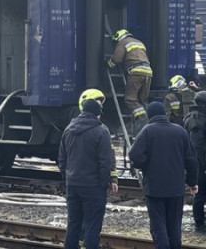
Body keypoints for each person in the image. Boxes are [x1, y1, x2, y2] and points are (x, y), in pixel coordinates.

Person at [129, 101, 199, 248]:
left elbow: (135, 156)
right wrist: (192, 183)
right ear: (164, 114)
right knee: (174, 225)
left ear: (150, 115)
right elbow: (192, 160)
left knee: (158, 225)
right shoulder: (180, 131)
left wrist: (145, 164)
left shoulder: (147, 131)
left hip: (154, 188)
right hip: (176, 188)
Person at [58, 88, 118, 249]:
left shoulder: (68, 129)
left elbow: (62, 159)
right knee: (92, 225)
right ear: (97, 113)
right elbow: (105, 161)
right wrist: (104, 183)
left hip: (73, 185)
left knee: (73, 224)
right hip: (93, 187)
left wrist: (68, 178)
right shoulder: (101, 131)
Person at [107, 29, 153, 134]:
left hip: (136, 72)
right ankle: (147, 124)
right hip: (148, 72)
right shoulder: (139, 42)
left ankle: (143, 119)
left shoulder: (123, 42)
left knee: (130, 100)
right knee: (142, 101)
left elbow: (117, 59)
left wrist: (108, 64)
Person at [184, 91, 206, 232]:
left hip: (200, 162)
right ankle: (200, 223)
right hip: (200, 164)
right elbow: (198, 145)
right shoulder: (196, 119)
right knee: (201, 194)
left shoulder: (200, 116)